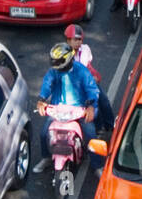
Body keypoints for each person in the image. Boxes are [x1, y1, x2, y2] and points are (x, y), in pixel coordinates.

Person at [32, 42, 100, 173]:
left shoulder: (82, 71)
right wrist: (41, 99)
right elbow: (47, 84)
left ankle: (98, 165)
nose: (57, 68)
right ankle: (46, 157)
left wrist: (91, 107)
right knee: (43, 134)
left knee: (91, 135)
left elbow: (92, 89)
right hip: (59, 109)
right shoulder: (54, 71)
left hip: (79, 110)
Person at [63, 24, 115, 133]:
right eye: (75, 40)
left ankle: (110, 125)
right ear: (68, 41)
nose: (78, 42)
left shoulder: (85, 49)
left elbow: (87, 66)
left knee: (103, 101)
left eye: (80, 40)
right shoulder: (63, 54)